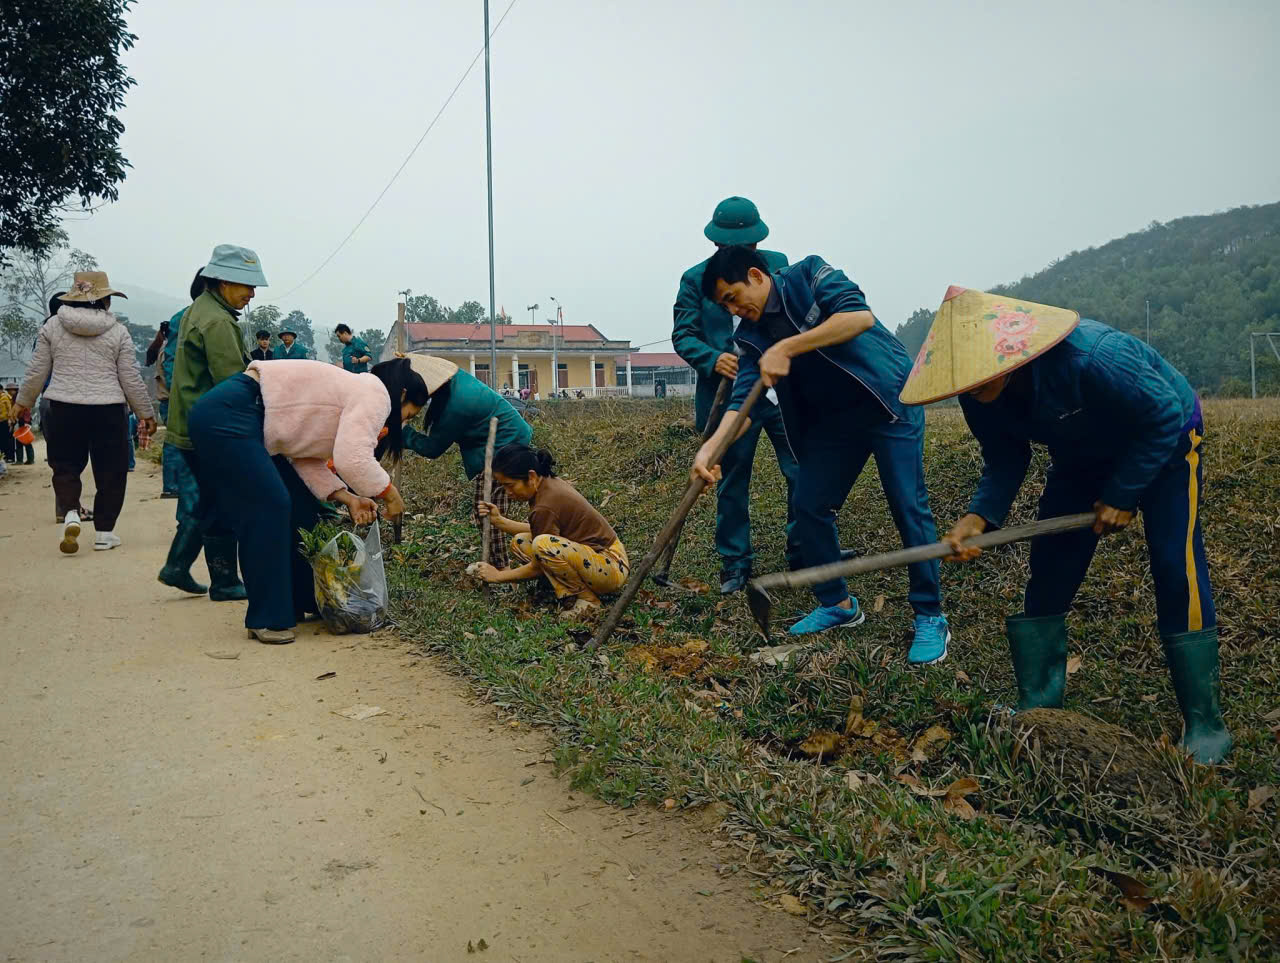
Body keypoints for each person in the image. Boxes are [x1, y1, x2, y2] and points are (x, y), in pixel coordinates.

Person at [900, 286, 1232, 764]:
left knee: (1174, 564)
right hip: (1080, 457)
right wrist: (979, 516)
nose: (971, 388)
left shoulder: (1094, 357)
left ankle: (1205, 722)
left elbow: (1163, 415)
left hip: (1168, 441)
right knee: (1051, 568)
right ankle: (1038, 705)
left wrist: (1121, 494)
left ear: (1008, 355)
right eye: (963, 381)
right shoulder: (977, 394)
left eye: (977, 377)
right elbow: (1005, 457)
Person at [692, 246, 951, 662]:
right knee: (809, 504)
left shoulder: (810, 276)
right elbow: (742, 404)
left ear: (757, 276)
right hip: (835, 425)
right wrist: (711, 447)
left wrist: (789, 347)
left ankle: (929, 614)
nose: (736, 310)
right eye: (727, 306)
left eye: (734, 297)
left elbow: (858, 317)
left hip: (888, 401)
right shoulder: (750, 337)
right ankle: (837, 604)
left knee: (908, 505)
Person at [189, 358, 423, 643]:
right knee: (270, 506)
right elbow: (353, 459)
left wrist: (348, 498)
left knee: (300, 508)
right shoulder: (375, 393)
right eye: (410, 414)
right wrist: (391, 495)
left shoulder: (351, 394)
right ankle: (266, 618)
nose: (406, 421)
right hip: (232, 412)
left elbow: (306, 460)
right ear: (402, 395)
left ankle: (300, 600)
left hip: (245, 416)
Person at [673, 196, 803, 594]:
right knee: (731, 481)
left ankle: (805, 549)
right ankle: (735, 561)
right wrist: (713, 359)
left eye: (746, 244)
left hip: (782, 390)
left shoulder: (780, 265)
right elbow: (683, 335)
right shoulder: (696, 278)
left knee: (801, 469)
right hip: (729, 396)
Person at [13, 271, 156, 553]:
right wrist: (145, 413)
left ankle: (70, 514)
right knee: (111, 470)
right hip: (108, 409)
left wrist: (23, 401)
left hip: (64, 407)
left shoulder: (53, 326)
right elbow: (130, 377)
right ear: (105, 301)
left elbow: (37, 370)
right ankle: (104, 533)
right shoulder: (118, 331)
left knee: (65, 465)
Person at [162, 246, 267, 599]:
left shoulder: (201, 309)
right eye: (246, 285)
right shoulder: (218, 321)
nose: (251, 294)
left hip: (192, 419)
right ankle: (224, 581)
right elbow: (231, 383)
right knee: (221, 501)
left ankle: (178, 566)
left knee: (208, 498)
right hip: (210, 427)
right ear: (223, 281)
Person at [399, 354, 531, 568]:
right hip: (501, 439)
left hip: (503, 446)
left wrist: (405, 432)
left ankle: (502, 570)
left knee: (487, 512)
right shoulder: (452, 381)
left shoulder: (457, 404)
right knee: (490, 511)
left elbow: (432, 448)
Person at [472, 443, 628, 620]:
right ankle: (561, 589)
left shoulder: (545, 505)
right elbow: (539, 531)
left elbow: (539, 562)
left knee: (542, 546)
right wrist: (499, 521)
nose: (508, 493)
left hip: (611, 566)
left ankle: (588, 600)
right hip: (596, 561)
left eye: (510, 485)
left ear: (530, 476)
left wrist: (499, 576)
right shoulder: (546, 483)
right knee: (520, 542)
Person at [0, 384, 14, 463]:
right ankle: (3, 456)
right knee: (1, 440)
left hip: (6, 421)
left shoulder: (6, 397)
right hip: (0, 421)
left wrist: (10, 420)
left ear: (1, 390)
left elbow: (10, 409)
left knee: (7, 440)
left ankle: (10, 457)